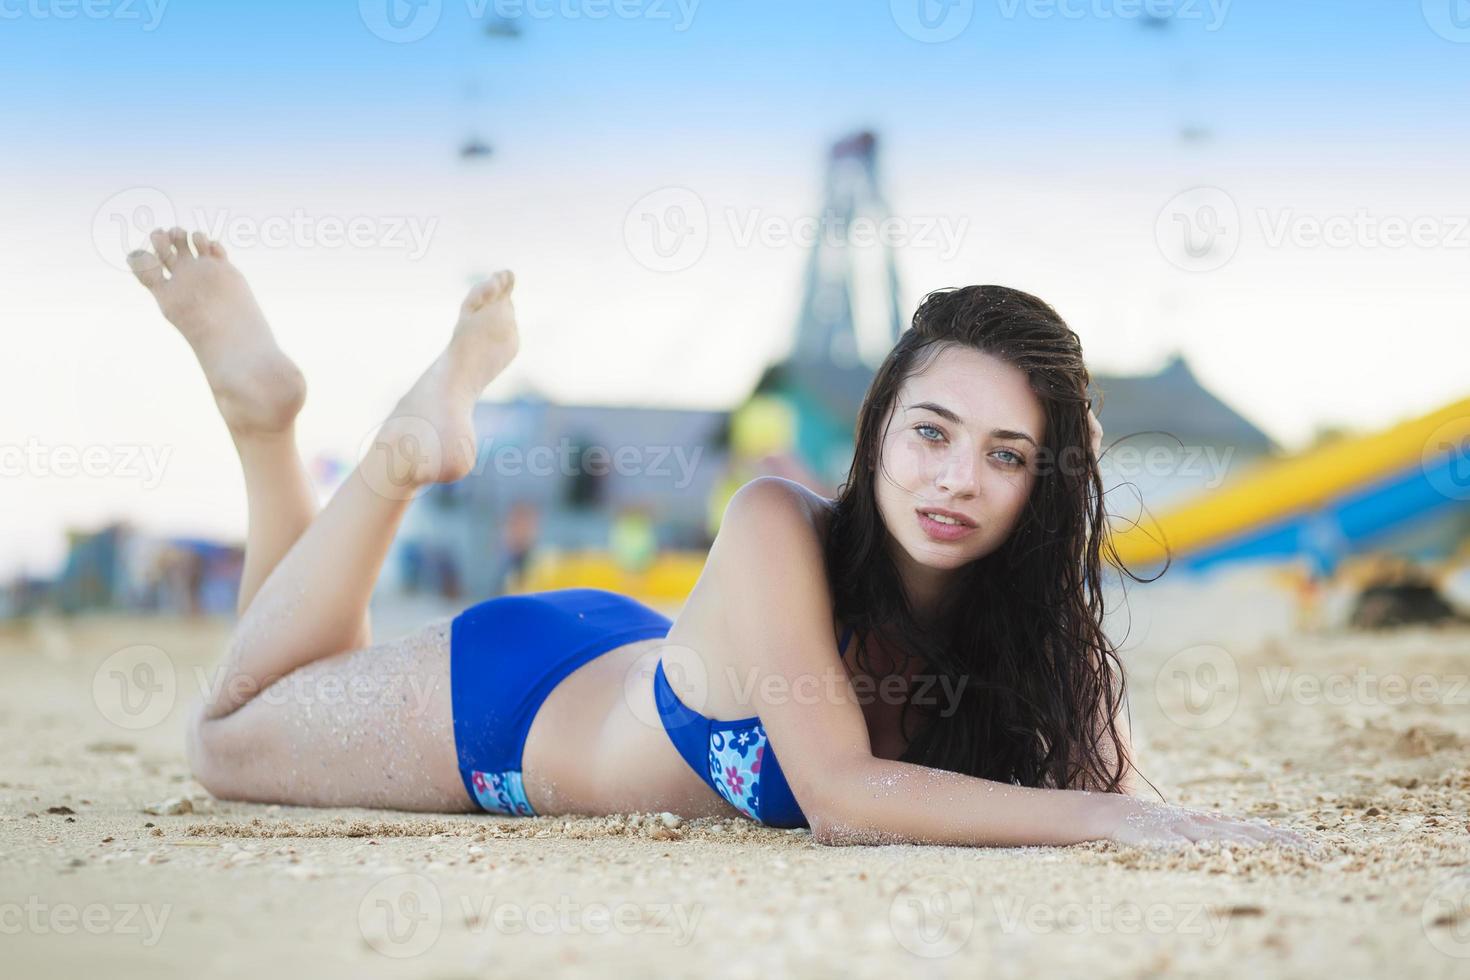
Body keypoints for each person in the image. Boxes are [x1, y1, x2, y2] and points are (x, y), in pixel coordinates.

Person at [125, 227, 1302, 849]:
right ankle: (395, 456)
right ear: (878, 430)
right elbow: (843, 795)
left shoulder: (1042, 624)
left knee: (289, 670)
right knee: (228, 739)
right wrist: (1111, 818)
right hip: (509, 706)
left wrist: (1175, 820)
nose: (957, 478)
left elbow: (1135, 791)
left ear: (1045, 479)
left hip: (642, 658)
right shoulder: (775, 521)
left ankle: (258, 422)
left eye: (1005, 453)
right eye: (931, 431)